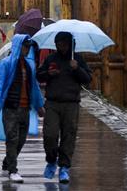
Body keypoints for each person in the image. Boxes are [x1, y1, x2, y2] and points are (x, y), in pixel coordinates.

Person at [0, 35, 45, 183]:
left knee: (21, 140)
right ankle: (13, 170)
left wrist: (39, 105)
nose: (27, 49)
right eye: (25, 46)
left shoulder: (29, 66)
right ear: (18, 46)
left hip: (25, 108)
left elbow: (33, 87)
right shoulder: (5, 64)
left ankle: (8, 160)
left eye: (29, 47)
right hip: (10, 108)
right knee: (12, 138)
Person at [36, 31, 91, 184]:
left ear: (70, 44)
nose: (62, 47)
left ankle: (64, 168)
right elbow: (39, 75)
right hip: (52, 103)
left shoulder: (78, 59)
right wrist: (48, 73)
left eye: (64, 44)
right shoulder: (50, 59)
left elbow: (87, 80)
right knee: (50, 135)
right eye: (59, 44)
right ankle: (51, 160)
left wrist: (77, 69)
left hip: (71, 104)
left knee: (69, 136)